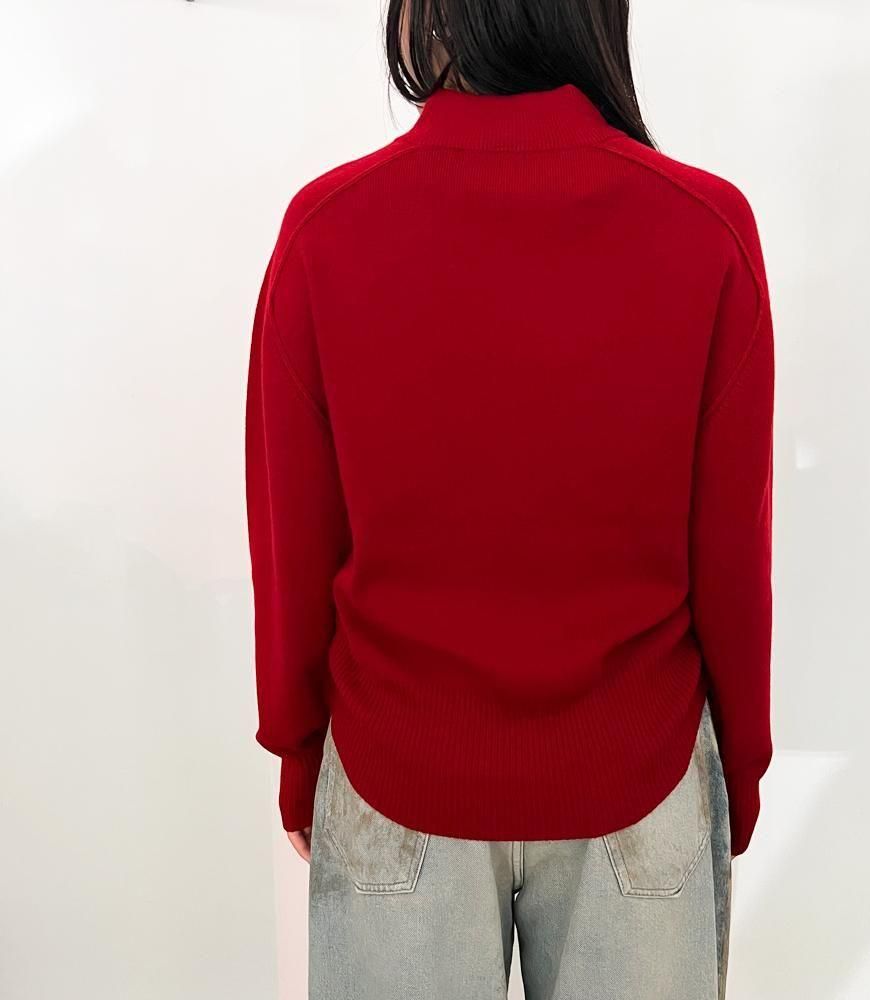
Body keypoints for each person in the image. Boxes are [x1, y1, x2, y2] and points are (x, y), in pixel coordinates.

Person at [245, 1, 774, 996]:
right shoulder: (706, 229)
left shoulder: (327, 229)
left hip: (397, 763)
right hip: (640, 768)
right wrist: (739, 768)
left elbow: (293, 541)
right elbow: (732, 558)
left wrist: (299, 751)